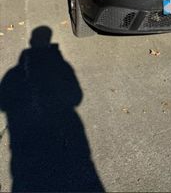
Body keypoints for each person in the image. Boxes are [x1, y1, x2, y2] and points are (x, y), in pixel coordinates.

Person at [0, 26, 103, 192]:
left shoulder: (12, 74)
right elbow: (77, 97)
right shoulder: (63, 65)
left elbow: (4, 103)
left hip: (23, 151)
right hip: (68, 133)